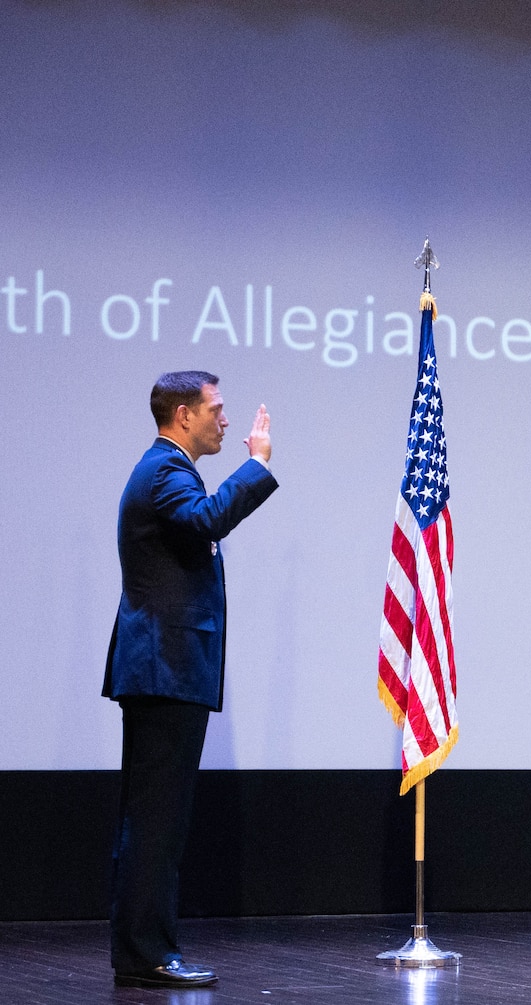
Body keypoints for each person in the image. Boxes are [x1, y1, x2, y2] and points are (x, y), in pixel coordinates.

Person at [102, 371, 277, 989]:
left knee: (155, 821)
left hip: (165, 669)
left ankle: (143, 949)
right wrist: (256, 466)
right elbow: (207, 520)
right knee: (156, 822)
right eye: (216, 410)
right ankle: (146, 953)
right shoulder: (165, 472)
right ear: (183, 415)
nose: (226, 421)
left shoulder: (165, 468)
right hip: (164, 670)